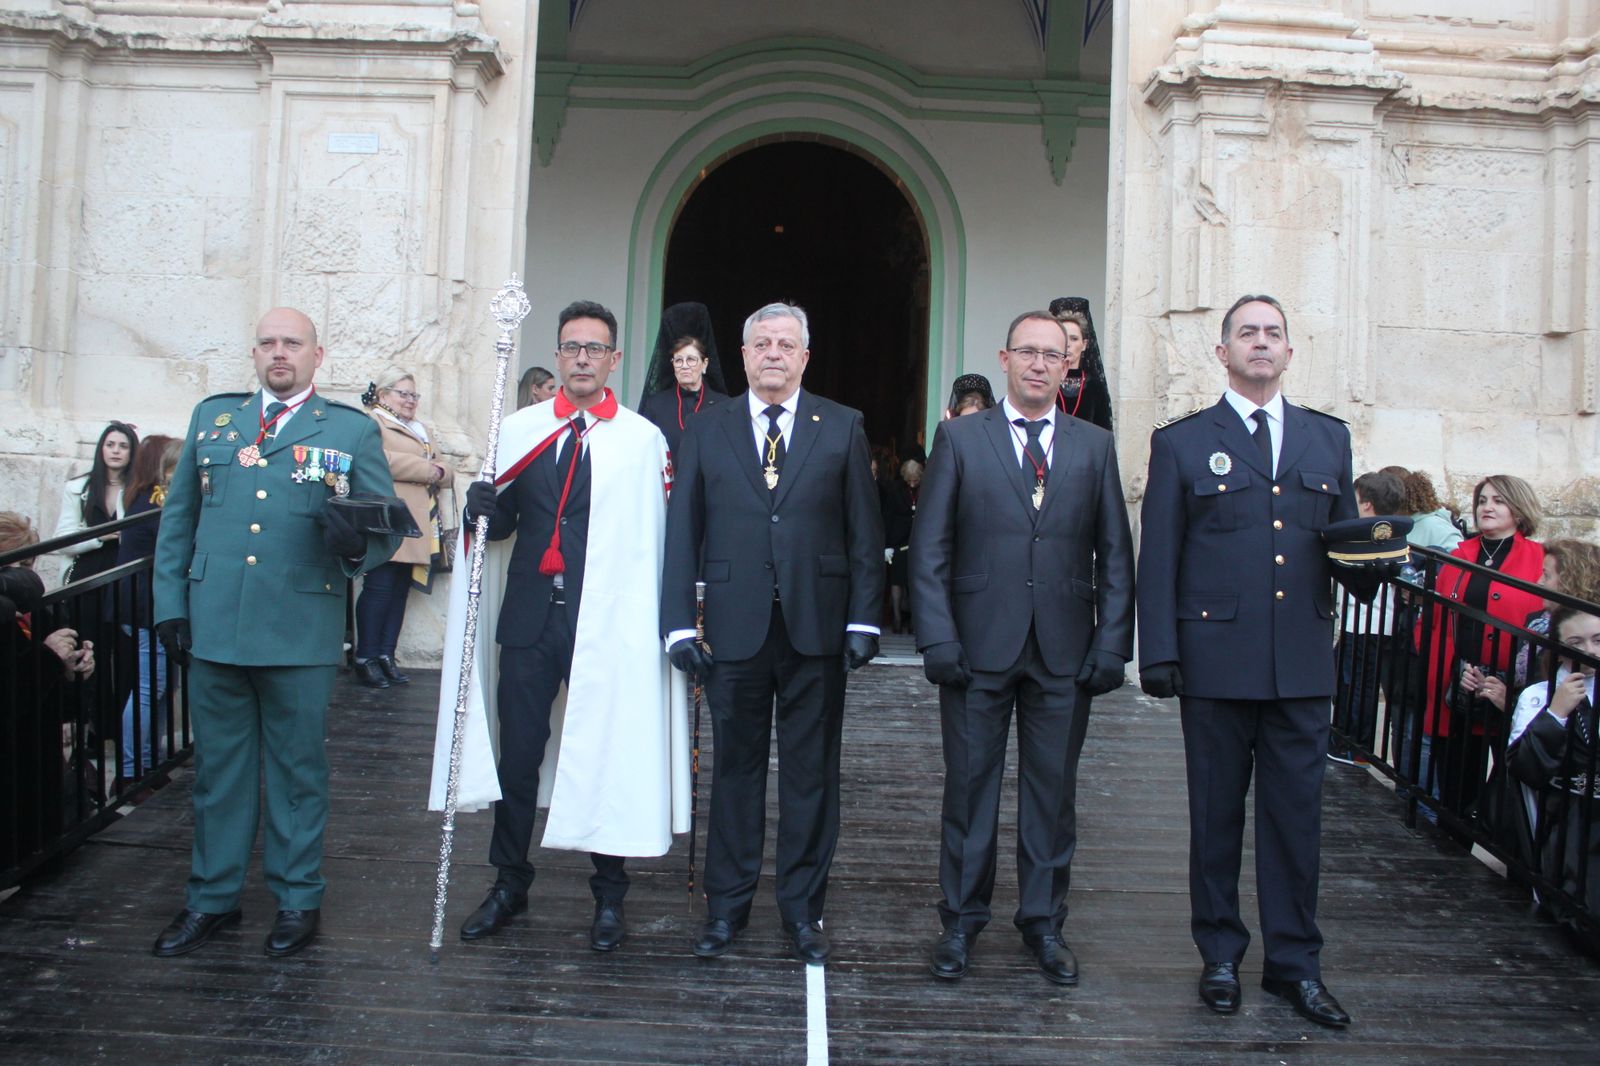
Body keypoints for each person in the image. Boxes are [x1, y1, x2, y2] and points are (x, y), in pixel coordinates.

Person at [432, 300, 688, 953]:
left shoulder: (640, 441)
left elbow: (656, 536)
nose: (581, 358)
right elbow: (501, 525)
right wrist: (479, 508)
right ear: (557, 354)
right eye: (572, 347)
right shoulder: (518, 430)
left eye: (594, 348)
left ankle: (609, 894)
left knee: (606, 749)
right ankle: (509, 883)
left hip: (606, 623)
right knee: (518, 756)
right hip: (529, 617)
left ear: (614, 359)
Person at [1137, 294, 1362, 1028]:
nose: (1260, 343)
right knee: (1215, 820)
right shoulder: (1182, 443)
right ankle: (1221, 955)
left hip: (1300, 663)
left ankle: (1295, 965)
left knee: (1297, 825)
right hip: (1215, 661)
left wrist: (1377, 560)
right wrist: (1159, 652)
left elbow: (1343, 544)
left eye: (1272, 333)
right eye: (1246, 333)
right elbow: (1160, 555)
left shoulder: (1328, 439)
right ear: (1223, 353)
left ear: (1290, 351)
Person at [149, 307, 399, 959]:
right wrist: (171, 606)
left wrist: (355, 547)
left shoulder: (349, 429)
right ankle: (212, 898)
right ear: (255, 354)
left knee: (297, 773)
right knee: (219, 774)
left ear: (318, 355)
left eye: (292, 342)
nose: (278, 352)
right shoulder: (214, 419)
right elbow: (179, 521)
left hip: (299, 628)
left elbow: (384, 528)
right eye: (267, 343)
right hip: (215, 627)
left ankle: (297, 898)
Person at [911, 310, 1134, 985]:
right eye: (1028, 352)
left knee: (1052, 796)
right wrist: (937, 637)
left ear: (1069, 366)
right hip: (976, 648)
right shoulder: (960, 438)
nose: (1040, 364)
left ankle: (1043, 922)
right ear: (1005, 358)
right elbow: (930, 549)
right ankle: (960, 921)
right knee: (969, 791)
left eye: (1053, 355)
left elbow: (1115, 554)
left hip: (1064, 651)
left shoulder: (1094, 445)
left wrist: (1112, 645)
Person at [661, 300, 884, 965]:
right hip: (733, 629)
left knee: (812, 775)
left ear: (805, 357)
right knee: (734, 771)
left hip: (817, 626)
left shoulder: (842, 426)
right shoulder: (708, 428)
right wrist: (678, 625)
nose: (774, 354)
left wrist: (864, 618)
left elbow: (864, 532)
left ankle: (802, 910)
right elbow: (682, 532)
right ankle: (726, 908)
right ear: (744, 354)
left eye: (786, 344)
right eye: (762, 343)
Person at [1419, 475, 1545, 818]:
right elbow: (1433, 618)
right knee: (1455, 792)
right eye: (1483, 500)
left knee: (1511, 794)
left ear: (1519, 509)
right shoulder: (1461, 554)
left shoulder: (1539, 559)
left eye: (1498, 501)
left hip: (1510, 690)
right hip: (1458, 685)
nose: (1487, 507)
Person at [354, 368, 456, 689]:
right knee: (379, 587)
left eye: (414, 395)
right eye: (404, 394)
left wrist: (439, 471)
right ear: (383, 395)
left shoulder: (420, 428)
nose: (410, 400)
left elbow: (448, 469)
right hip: (388, 520)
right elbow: (378, 460)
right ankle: (366, 657)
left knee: (400, 590)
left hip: (417, 521)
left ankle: (386, 654)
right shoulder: (373, 422)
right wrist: (429, 470)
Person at [1507, 605, 1600, 926]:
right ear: (1559, 648)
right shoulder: (1538, 696)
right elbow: (1524, 768)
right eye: (1576, 643)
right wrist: (1556, 714)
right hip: (1568, 823)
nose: (1590, 650)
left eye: (1598, 640)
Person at [1329, 470, 1408, 765]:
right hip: (1360, 624)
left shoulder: (1375, 535)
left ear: (1366, 504)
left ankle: (1353, 746)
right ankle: (1345, 740)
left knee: (1358, 687)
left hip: (1369, 625)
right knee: (1347, 681)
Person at [115, 435, 181, 783]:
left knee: (160, 688)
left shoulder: (145, 497)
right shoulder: (156, 499)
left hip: (147, 604)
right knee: (149, 689)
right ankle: (130, 771)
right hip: (145, 606)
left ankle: (149, 762)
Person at [53, 421, 139, 584]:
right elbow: (62, 541)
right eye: (110, 445)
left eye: (123, 446)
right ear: (101, 449)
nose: (116, 451)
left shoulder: (139, 492)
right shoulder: (78, 488)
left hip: (124, 576)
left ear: (132, 452)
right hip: (85, 576)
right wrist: (98, 537)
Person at [638, 302, 729, 454]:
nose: (685, 366)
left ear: (704, 364)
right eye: (679, 360)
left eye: (691, 360)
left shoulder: (723, 405)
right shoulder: (655, 406)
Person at [1048, 300, 1114, 432]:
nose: (1068, 344)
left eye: (1074, 339)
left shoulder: (1095, 386)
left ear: (1084, 345)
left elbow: (1104, 432)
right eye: (1063, 338)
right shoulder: (1045, 381)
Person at [882, 459, 921, 634]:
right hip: (898, 541)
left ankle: (913, 620)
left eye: (915, 480)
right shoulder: (895, 490)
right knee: (897, 580)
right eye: (909, 480)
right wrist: (887, 545)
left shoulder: (925, 488)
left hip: (917, 542)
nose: (912, 484)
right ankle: (897, 618)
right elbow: (888, 516)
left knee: (915, 581)